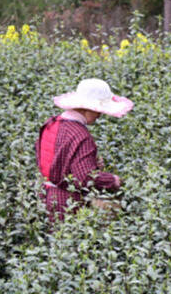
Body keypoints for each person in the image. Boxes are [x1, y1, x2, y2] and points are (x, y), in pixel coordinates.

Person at [35, 78, 133, 224]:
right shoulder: (79, 134)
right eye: (98, 111)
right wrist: (112, 180)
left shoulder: (53, 122)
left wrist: (91, 163)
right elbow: (86, 178)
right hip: (66, 204)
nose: (100, 115)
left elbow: (52, 159)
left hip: (44, 196)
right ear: (87, 108)